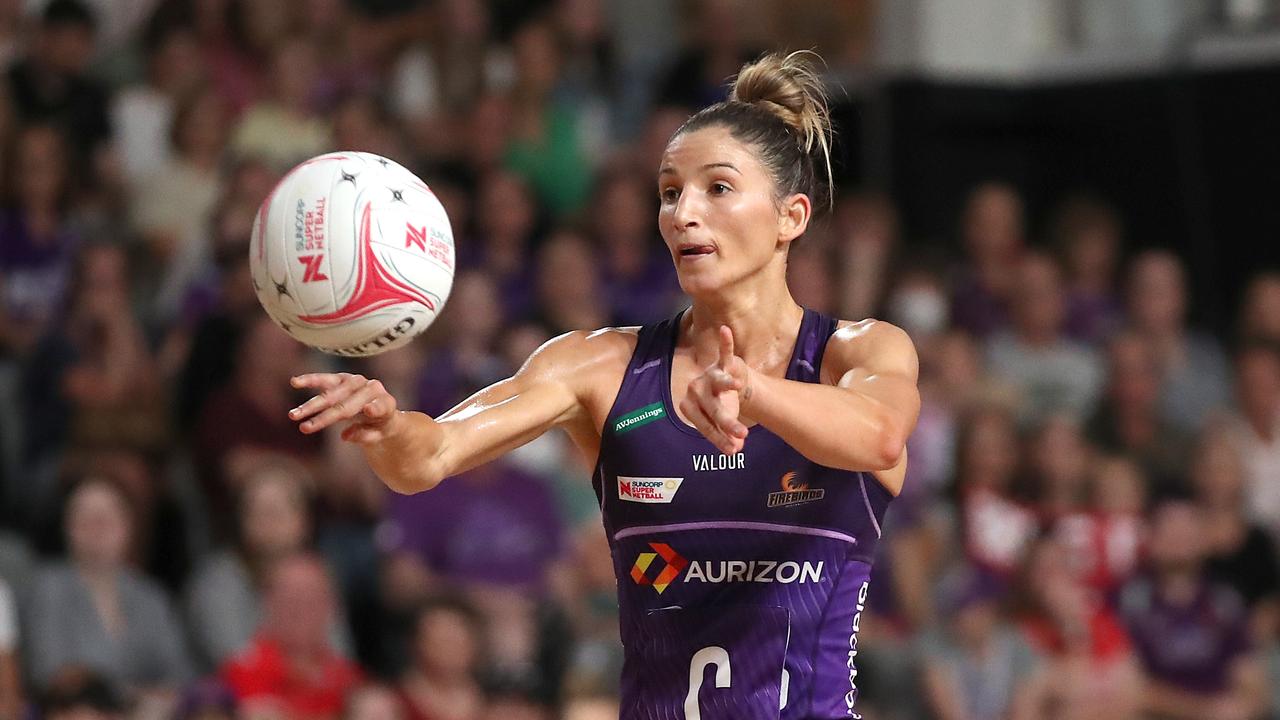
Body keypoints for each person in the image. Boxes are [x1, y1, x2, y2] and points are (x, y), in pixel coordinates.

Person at [290, 51, 920, 719]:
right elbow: (429, 456)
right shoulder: (600, 367)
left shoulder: (859, 351)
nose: (683, 213)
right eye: (670, 192)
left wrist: (757, 394)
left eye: (718, 188)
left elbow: (879, 436)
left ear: (791, 217)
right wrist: (388, 427)